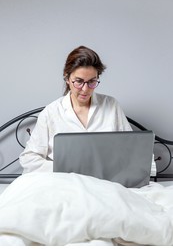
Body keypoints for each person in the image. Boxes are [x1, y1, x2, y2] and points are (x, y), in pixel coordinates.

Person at [19, 45, 132, 173]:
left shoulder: (111, 106)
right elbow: (29, 158)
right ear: (67, 78)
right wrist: (66, 169)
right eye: (78, 81)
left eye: (92, 82)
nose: (85, 89)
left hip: (105, 180)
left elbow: (131, 149)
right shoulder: (51, 113)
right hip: (64, 180)